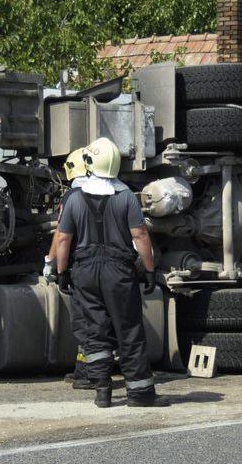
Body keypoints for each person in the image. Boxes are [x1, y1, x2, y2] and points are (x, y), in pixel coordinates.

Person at [54, 138, 163, 408]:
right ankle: (139, 393)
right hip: (119, 271)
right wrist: (149, 271)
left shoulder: (75, 198)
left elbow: (64, 238)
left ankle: (102, 390)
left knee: (94, 330)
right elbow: (140, 235)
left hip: (85, 271)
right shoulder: (126, 197)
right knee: (128, 330)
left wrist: (61, 272)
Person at [45, 148, 94, 390]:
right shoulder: (113, 192)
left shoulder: (73, 197)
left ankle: (88, 374)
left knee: (84, 324)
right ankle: (87, 371)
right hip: (110, 268)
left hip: (81, 268)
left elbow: (62, 235)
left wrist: (53, 265)